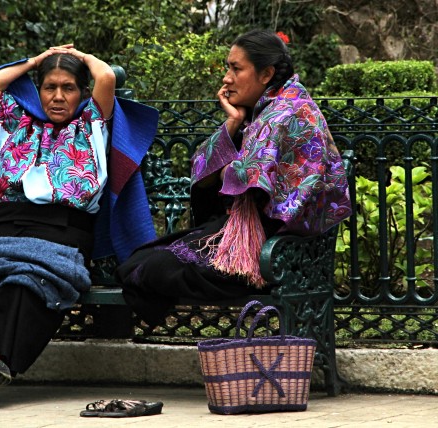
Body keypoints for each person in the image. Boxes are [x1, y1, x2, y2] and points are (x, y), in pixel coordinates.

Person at [0, 44, 159, 408]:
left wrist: (80, 56)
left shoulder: (91, 122)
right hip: (5, 223)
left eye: (68, 87)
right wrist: (36, 61)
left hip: (62, 230)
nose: (57, 96)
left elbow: (107, 77)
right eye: (49, 87)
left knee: (28, 278)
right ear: (37, 91)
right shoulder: (15, 118)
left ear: (82, 93)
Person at [115, 29, 352, 327]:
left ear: (266, 74)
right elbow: (202, 175)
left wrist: (228, 168)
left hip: (275, 252)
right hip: (242, 237)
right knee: (139, 261)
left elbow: (245, 177)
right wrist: (233, 122)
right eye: (229, 67)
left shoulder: (289, 113)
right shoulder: (261, 112)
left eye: (236, 68)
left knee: (147, 269)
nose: (226, 77)